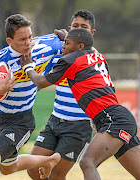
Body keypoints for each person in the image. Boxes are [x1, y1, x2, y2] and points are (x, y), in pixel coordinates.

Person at [20, 28, 140, 180]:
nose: (63, 46)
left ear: (80, 46)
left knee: (87, 162)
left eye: (67, 43)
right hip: (121, 118)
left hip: (112, 120)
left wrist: (28, 67)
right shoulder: (98, 57)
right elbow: (88, 50)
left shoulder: (70, 60)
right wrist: (69, 40)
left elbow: (40, 82)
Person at [0, 14, 61, 180]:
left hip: (21, 121)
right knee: (8, 168)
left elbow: (78, 41)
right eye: (22, 39)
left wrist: (68, 37)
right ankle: (49, 161)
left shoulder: (46, 45)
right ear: (9, 41)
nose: (28, 43)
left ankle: (49, 160)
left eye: (30, 37)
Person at [27, 10, 96, 180]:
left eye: (84, 27)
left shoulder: (92, 56)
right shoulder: (59, 54)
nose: (79, 29)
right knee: (34, 169)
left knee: (57, 174)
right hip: (56, 120)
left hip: (78, 126)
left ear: (92, 33)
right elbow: (42, 82)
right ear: (69, 28)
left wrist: (27, 67)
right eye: (75, 26)